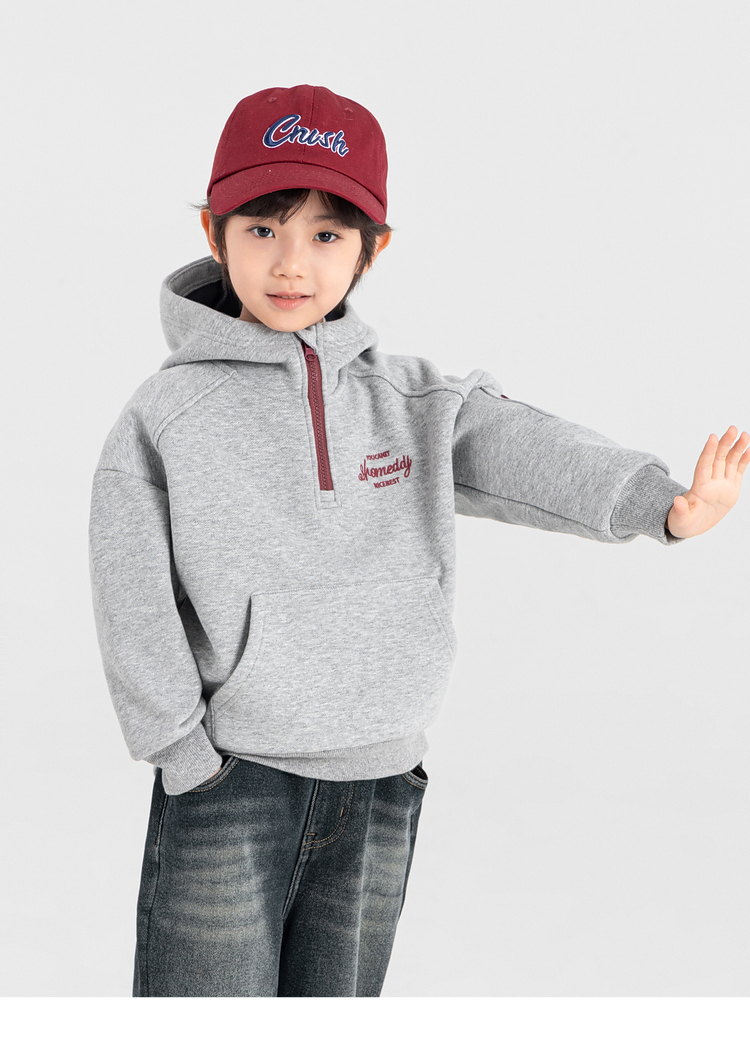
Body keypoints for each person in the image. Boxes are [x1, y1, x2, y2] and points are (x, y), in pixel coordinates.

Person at [88, 84, 749, 998]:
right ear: (214, 233)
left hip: (382, 781)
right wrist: (182, 754)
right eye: (262, 228)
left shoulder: (409, 399)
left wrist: (663, 505)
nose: (291, 263)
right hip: (229, 783)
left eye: (326, 235)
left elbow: (525, 450)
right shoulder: (165, 415)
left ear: (373, 249)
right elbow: (129, 594)